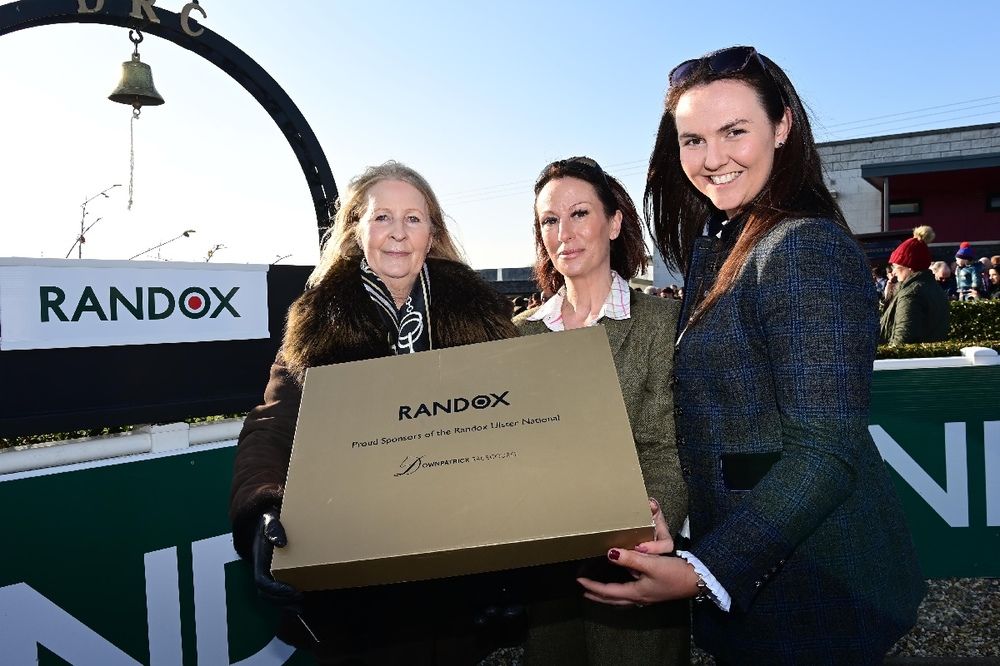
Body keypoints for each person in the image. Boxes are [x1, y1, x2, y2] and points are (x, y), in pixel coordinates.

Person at [578, 46, 925, 665]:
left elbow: (823, 452)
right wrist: (682, 538)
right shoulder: (723, 240)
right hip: (766, 582)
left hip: (820, 590)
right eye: (692, 140)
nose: (712, 159)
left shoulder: (803, 248)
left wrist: (705, 570)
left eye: (734, 131)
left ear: (783, 125)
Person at [229, 161, 519, 665]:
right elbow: (273, 425)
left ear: (433, 234)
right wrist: (261, 508)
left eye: (414, 219)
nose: (398, 234)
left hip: (458, 572)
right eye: (382, 217)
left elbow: (516, 428)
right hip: (357, 578)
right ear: (355, 230)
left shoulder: (482, 324)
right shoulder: (316, 326)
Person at [513, 156, 689, 665]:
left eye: (580, 213)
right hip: (546, 569)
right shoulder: (521, 336)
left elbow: (666, 443)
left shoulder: (663, 322)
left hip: (635, 557)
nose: (564, 232)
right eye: (550, 220)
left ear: (614, 223)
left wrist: (654, 524)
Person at [880, 226, 950, 345]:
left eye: (896, 267)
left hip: (909, 361)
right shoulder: (931, 287)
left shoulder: (911, 293)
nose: (893, 272)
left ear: (910, 267)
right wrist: (889, 297)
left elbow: (902, 339)